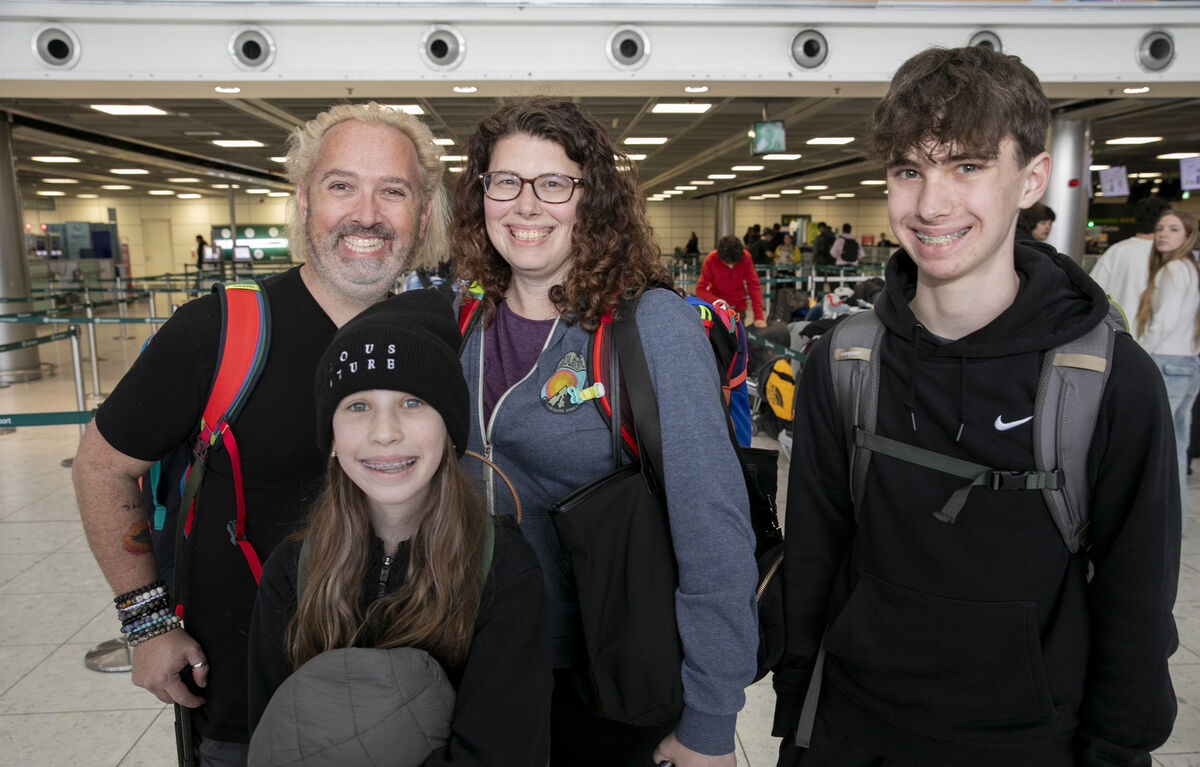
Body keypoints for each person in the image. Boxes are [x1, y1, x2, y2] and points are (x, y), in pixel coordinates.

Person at [772, 46, 1179, 766]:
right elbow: (812, 561)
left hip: (1030, 741)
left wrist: (1116, 751)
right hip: (853, 731)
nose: (932, 204)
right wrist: (798, 725)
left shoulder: (1108, 379)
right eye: (908, 170)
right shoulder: (843, 361)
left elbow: (1136, 606)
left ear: (1030, 179)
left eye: (966, 165)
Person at [72, 102, 449, 767]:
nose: (367, 213)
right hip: (246, 706)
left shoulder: (446, 335)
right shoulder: (217, 331)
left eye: (393, 190)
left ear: (421, 214)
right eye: (341, 186)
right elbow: (102, 466)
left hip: (417, 698)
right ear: (304, 202)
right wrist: (148, 624)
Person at [451, 98, 756, 767]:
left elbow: (714, 530)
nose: (525, 205)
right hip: (483, 662)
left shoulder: (649, 327)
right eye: (505, 182)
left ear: (592, 201)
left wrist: (711, 719)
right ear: (481, 197)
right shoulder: (466, 323)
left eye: (553, 183)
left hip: (609, 675)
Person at [247, 290, 552, 764]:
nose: (384, 433)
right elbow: (276, 735)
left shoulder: (502, 570)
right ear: (330, 437)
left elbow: (502, 750)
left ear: (449, 429)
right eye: (358, 406)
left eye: (412, 403)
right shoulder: (291, 571)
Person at [1133, 210, 1200, 513]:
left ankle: (1158, 520)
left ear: (1188, 237)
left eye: (1174, 229)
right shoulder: (1189, 268)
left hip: (1165, 362)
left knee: (1156, 450)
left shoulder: (1172, 269)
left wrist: (1137, 355)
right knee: (1176, 449)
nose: (1163, 234)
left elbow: (1164, 322)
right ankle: (1173, 520)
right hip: (1187, 364)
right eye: (1160, 228)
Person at [1090, 196, 1172, 319]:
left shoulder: (1116, 251)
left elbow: (1093, 290)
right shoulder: (1168, 255)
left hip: (1119, 329)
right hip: (1157, 332)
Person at [697, 234, 769, 328]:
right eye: (727, 263)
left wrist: (759, 317)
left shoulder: (746, 258)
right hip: (717, 309)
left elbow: (753, 286)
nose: (731, 266)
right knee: (719, 338)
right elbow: (700, 289)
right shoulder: (710, 260)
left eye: (734, 263)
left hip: (738, 308)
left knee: (736, 337)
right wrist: (716, 301)